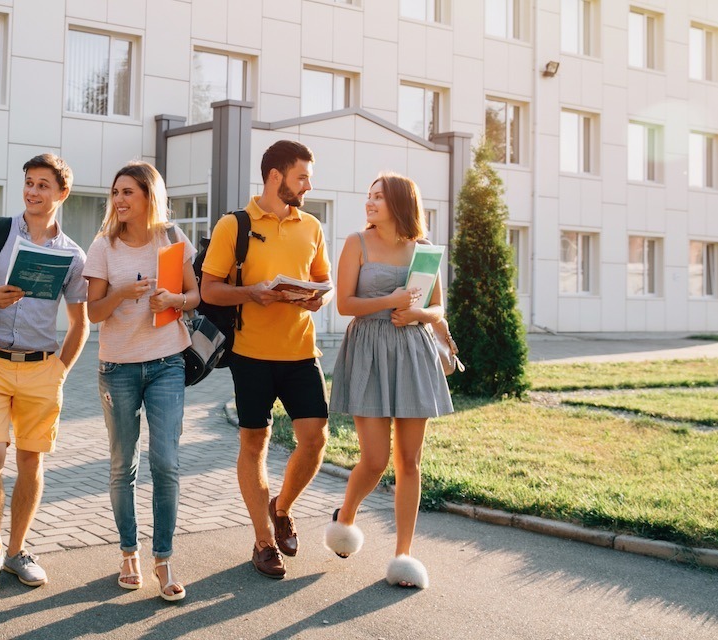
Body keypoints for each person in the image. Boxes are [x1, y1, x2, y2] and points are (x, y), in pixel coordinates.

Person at [0, 153, 90, 597]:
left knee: (31, 462)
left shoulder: (72, 255)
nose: (32, 192)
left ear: (61, 193)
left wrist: (60, 372)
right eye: (28, 183)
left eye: (43, 185)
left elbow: (81, 322)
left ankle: (17, 551)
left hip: (40, 369)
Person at [199, 140, 332, 579]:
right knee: (253, 445)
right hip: (250, 355)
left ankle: (283, 508)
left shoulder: (311, 226)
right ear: (276, 176)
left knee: (314, 440)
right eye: (302, 177)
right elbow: (209, 289)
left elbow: (322, 279)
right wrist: (251, 293)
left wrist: (315, 299)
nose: (308, 185)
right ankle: (263, 541)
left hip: (300, 352)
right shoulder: (232, 225)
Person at [323, 172, 454, 590]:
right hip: (369, 350)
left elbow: (438, 307)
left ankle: (403, 554)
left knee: (410, 462)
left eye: (378, 197)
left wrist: (417, 314)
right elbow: (345, 304)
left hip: (413, 353)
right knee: (376, 458)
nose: (370, 202)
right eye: (369, 196)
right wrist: (393, 301)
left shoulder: (424, 252)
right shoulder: (355, 243)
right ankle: (345, 518)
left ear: (399, 203)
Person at [83, 161, 200, 601]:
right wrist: (121, 294)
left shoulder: (172, 239)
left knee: (166, 462)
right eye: (115, 192)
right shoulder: (103, 246)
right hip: (118, 367)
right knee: (122, 465)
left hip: (167, 361)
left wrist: (174, 299)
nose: (119, 200)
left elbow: (195, 295)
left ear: (149, 196)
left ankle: (164, 558)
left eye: (128, 192)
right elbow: (92, 312)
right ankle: (128, 550)